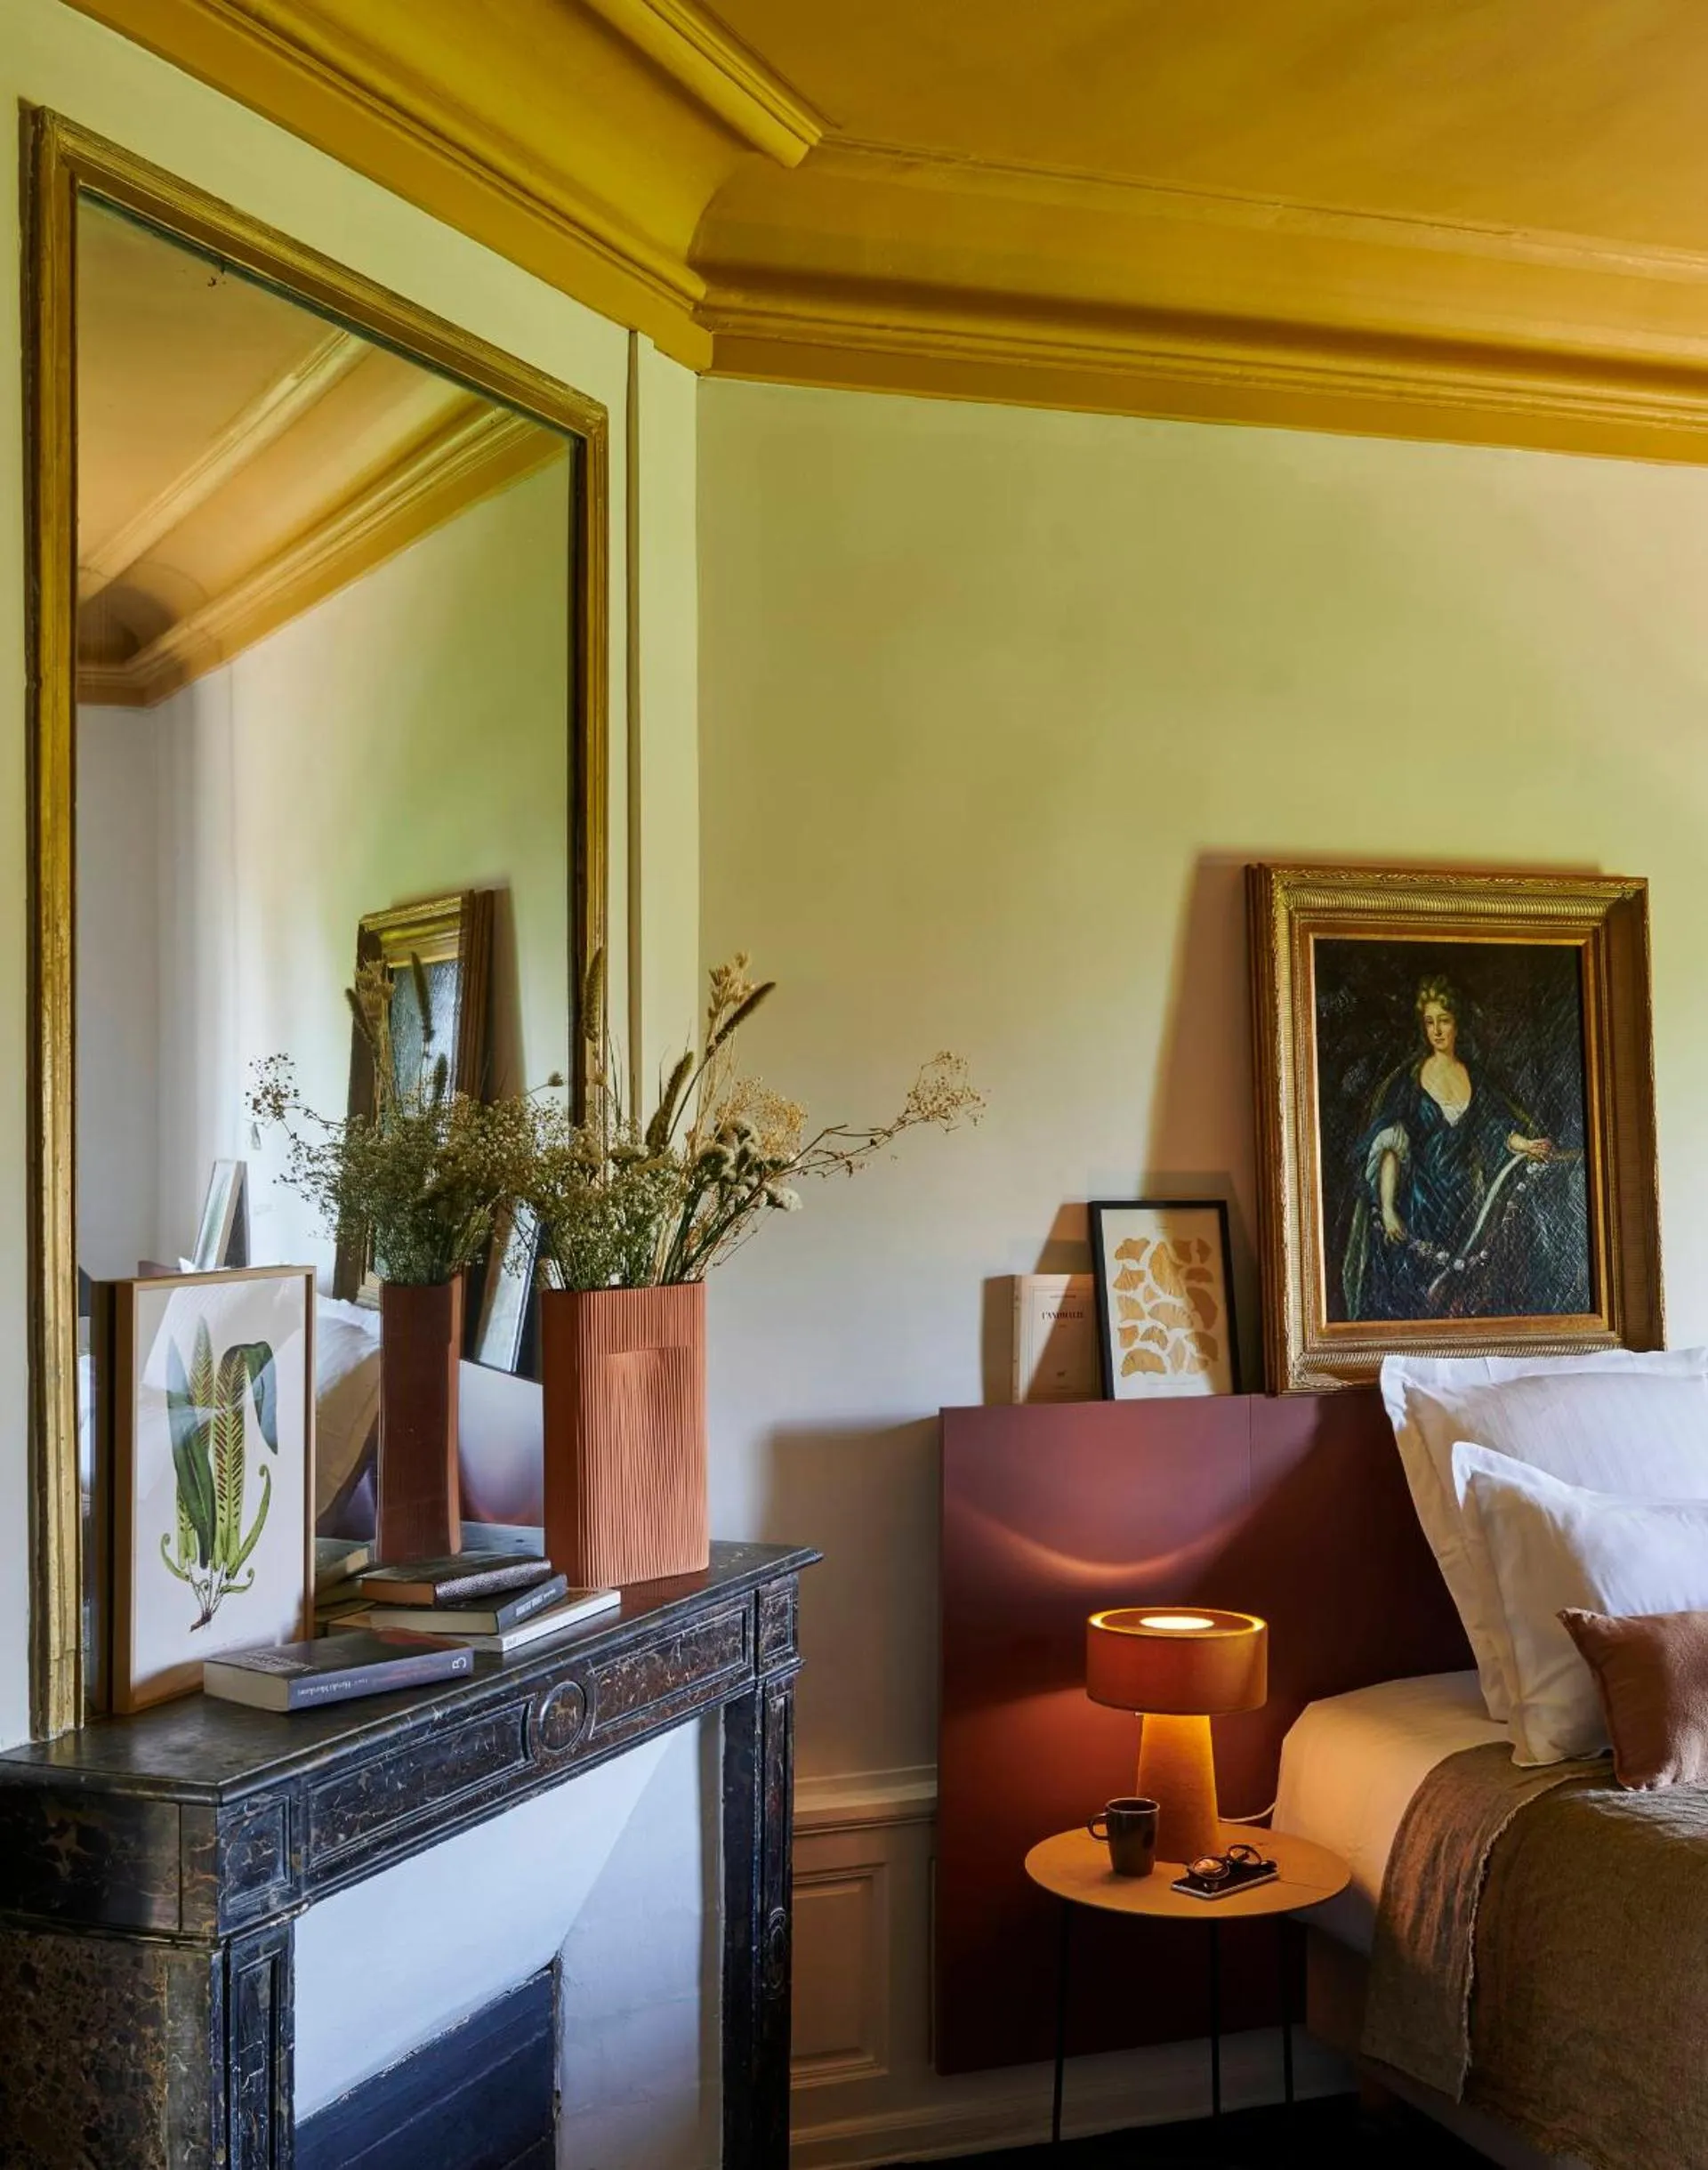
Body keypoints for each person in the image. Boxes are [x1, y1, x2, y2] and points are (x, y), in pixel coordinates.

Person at [1341, 975, 1554, 1321]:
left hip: (1466, 1204)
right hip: (1418, 1204)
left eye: (1444, 1020)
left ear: (1457, 1024)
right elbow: (1391, 1148)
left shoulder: (1475, 1078)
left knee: (1462, 1298)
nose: (1437, 1030)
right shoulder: (1410, 1082)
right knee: (1417, 1298)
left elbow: (1497, 1127)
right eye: (1429, 1022)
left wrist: (1526, 1144)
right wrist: (1389, 1207)